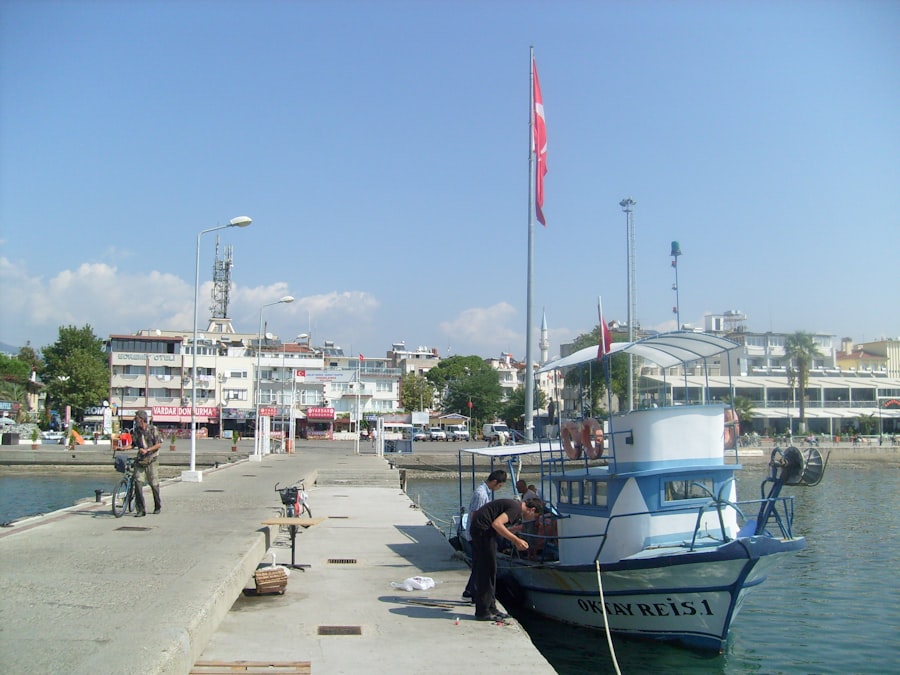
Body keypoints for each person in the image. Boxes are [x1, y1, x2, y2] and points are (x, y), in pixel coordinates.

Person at [469, 497, 543, 622]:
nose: (533, 519)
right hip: (483, 533)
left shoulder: (514, 506)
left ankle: (491, 607)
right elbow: (497, 524)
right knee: (487, 571)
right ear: (532, 510)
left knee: (491, 570)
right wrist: (516, 540)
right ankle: (482, 611)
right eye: (535, 516)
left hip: (483, 531)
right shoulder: (516, 509)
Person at [461, 470, 507, 600]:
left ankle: (470, 591)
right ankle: (471, 592)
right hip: (476, 534)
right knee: (480, 564)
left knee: (478, 565)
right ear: (494, 482)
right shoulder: (481, 494)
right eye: (500, 486)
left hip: (476, 533)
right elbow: (475, 515)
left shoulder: (484, 492)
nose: (499, 489)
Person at [131, 410, 162, 516]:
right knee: (138, 483)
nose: (135, 420)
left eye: (136, 418)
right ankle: (141, 509)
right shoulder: (136, 431)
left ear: (142, 419)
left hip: (152, 459)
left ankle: (157, 506)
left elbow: (158, 445)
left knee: (154, 484)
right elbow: (133, 444)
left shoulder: (153, 429)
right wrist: (122, 448)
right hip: (141, 460)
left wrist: (147, 450)